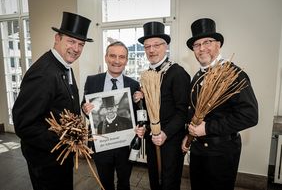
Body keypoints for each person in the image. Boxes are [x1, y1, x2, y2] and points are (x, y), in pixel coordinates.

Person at [12, 12, 93, 190]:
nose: (77, 48)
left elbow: (61, 103)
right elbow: (24, 124)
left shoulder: (64, 65)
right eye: (71, 41)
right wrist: (65, 140)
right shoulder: (43, 72)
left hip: (61, 158)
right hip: (46, 162)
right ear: (57, 38)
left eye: (81, 44)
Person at [182, 18, 259, 190]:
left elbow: (250, 116)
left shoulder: (233, 74)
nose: (202, 48)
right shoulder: (197, 76)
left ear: (219, 44)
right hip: (198, 151)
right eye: (197, 44)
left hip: (221, 154)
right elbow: (193, 112)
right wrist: (189, 137)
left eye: (207, 42)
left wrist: (207, 128)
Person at [134, 21, 191, 190]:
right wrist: (141, 107)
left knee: (169, 182)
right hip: (152, 139)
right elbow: (149, 109)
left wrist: (165, 133)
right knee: (154, 181)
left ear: (166, 46)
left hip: (171, 141)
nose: (151, 50)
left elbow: (182, 112)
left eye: (156, 45)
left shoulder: (178, 73)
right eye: (147, 46)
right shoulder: (146, 75)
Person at [81, 41, 144, 190]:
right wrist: (85, 108)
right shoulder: (92, 80)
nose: (117, 61)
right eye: (113, 56)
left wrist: (140, 103)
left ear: (126, 61)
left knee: (124, 183)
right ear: (106, 57)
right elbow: (84, 104)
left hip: (125, 144)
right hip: (101, 143)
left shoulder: (134, 85)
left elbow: (139, 114)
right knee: (105, 183)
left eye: (121, 57)